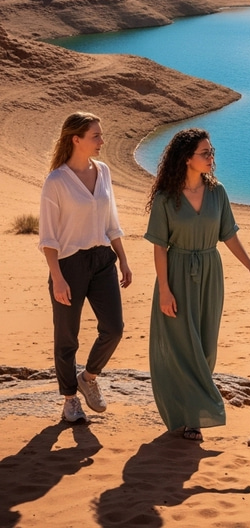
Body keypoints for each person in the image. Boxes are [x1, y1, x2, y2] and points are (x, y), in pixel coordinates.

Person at [145, 128, 250, 441]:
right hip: (176, 273)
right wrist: (165, 290)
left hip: (210, 273)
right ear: (187, 159)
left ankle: (193, 412)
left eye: (212, 152)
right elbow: (159, 246)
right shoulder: (165, 198)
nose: (212, 158)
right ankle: (191, 418)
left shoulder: (218, 192)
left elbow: (228, 234)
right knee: (183, 347)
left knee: (206, 346)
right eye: (205, 153)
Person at [39, 112, 132, 423]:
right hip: (69, 264)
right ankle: (69, 400)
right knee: (67, 337)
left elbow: (111, 221)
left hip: (103, 260)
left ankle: (88, 377)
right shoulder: (56, 181)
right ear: (75, 139)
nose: (102, 141)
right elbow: (48, 237)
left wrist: (123, 258)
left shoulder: (103, 171)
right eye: (96, 136)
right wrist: (57, 277)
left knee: (114, 328)